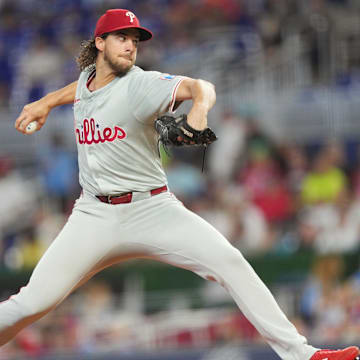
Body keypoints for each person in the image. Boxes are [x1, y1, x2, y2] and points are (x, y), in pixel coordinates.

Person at [1, 8, 359, 360]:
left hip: (152, 209)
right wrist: (46, 102)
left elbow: (200, 86)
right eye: (122, 38)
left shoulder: (140, 84)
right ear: (100, 43)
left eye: (135, 40)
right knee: (33, 302)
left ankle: (303, 355)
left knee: (230, 261)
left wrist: (198, 110)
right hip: (94, 214)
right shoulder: (87, 82)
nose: (130, 46)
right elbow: (81, 89)